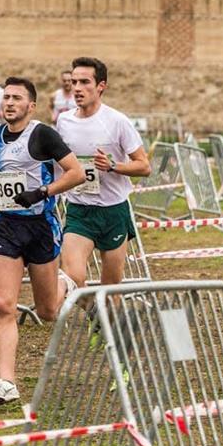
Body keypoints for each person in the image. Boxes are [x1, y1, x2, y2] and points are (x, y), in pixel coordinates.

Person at [0, 76, 85, 406]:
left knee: (48, 311)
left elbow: (76, 173)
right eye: (6, 97)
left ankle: (65, 283)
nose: (9, 102)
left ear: (31, 105)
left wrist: (42, 191)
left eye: (17, 98)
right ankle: (7, 383)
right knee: (3, 305)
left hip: (41, 227)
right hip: (8, 228)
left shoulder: (43, 135)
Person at [56, 57, 151, 290]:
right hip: (79, 209)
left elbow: (144, 166)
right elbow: (60, 165)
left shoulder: (117, 121)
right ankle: (95, 312)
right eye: (74, 82)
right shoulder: (64, 121)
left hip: (113, 211)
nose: (77, 88)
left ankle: (104, 320)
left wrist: (112, 166)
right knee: (73, 277)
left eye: (84, 82)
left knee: (111, 289)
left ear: (101, 86)